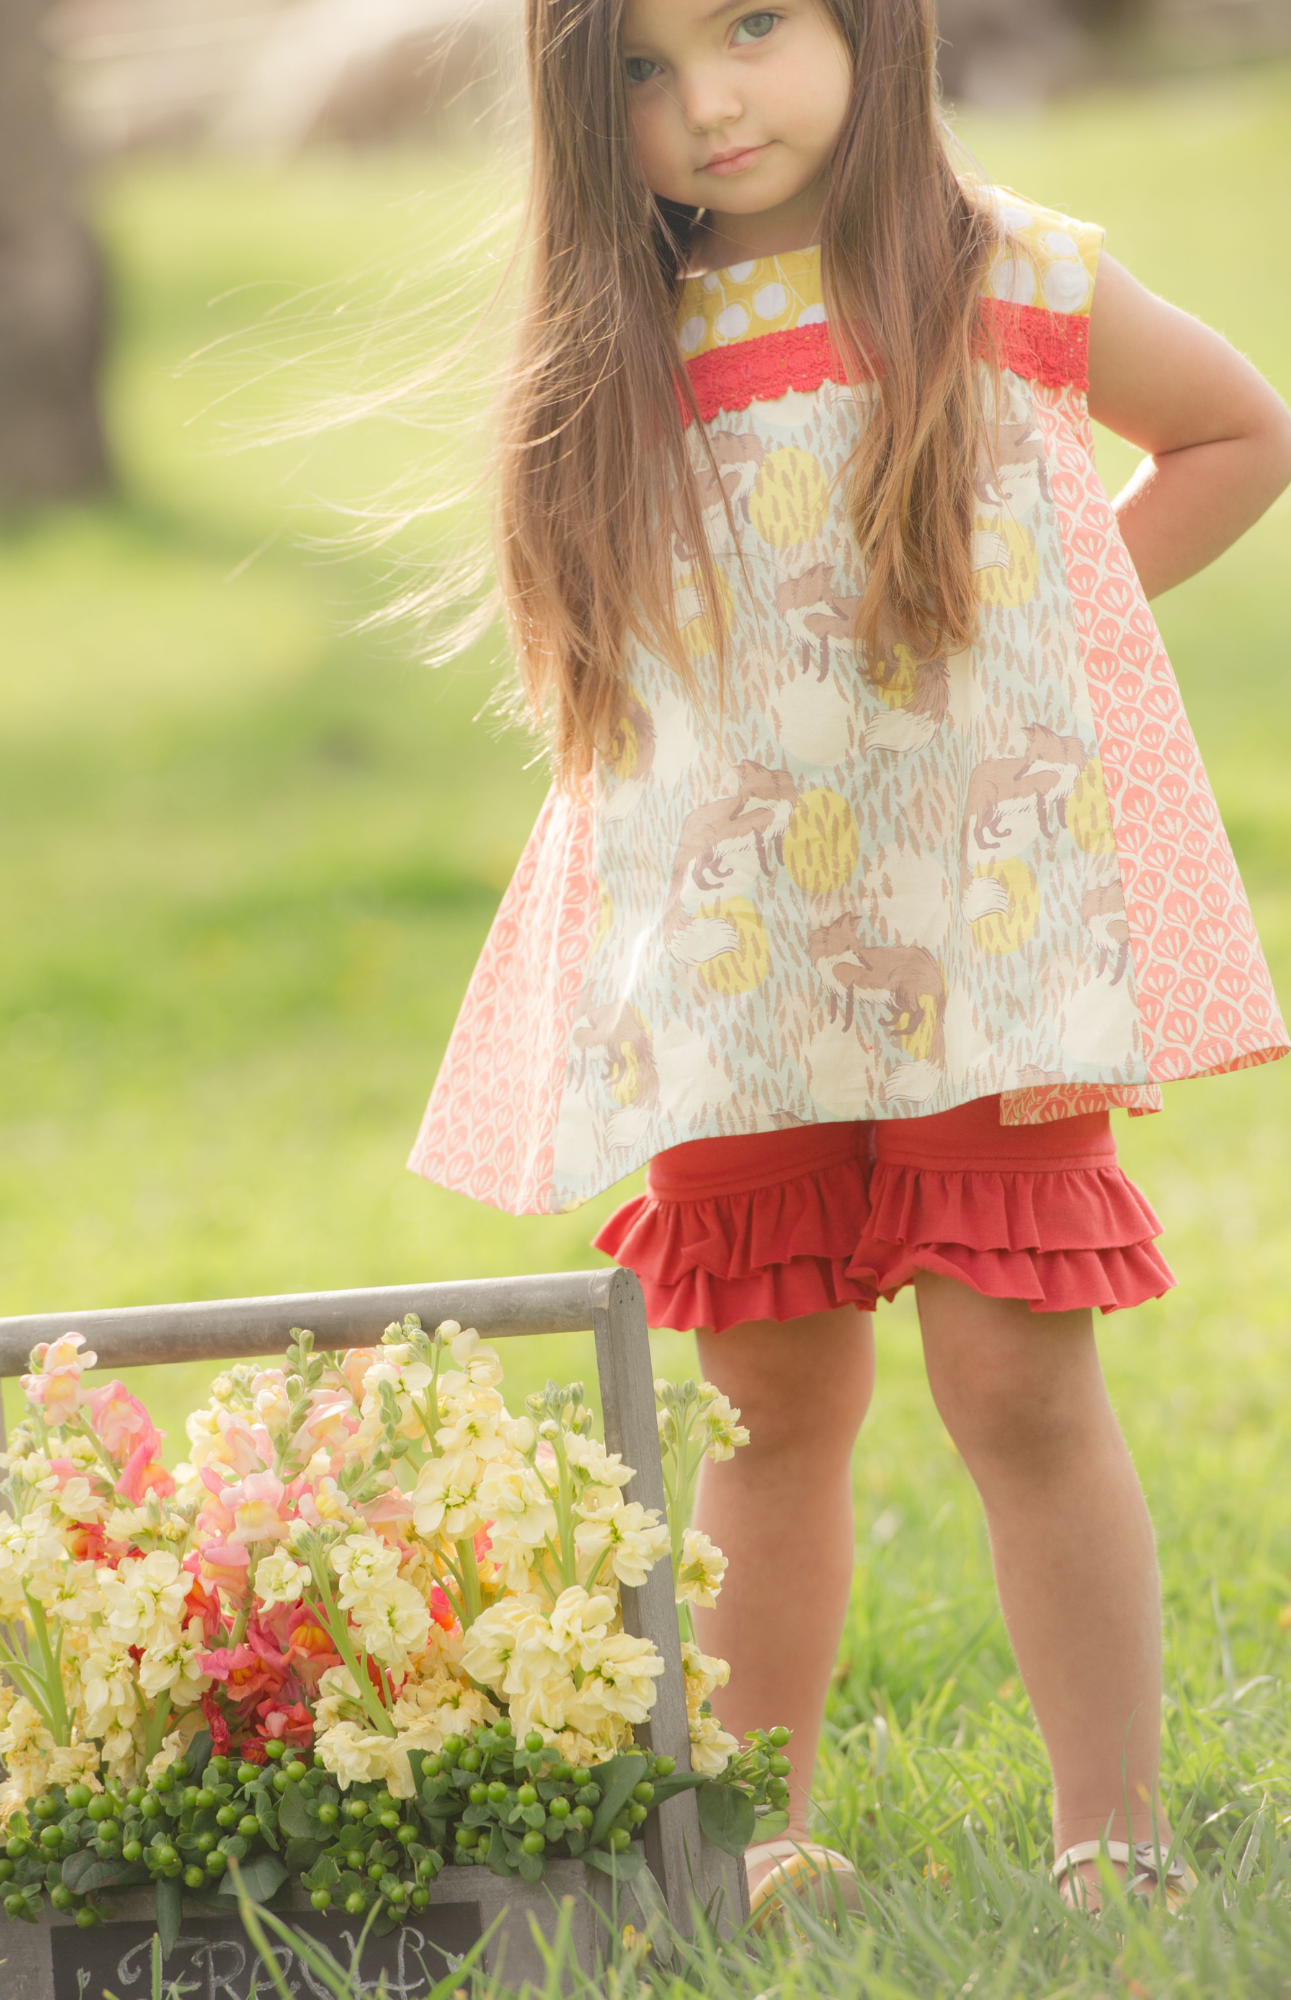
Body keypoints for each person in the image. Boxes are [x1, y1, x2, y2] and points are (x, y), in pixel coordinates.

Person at [407, 0, 1291, 1920]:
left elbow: (1238, 430)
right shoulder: (610, 353)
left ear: (863, 28)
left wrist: (1037, 633)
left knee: (1016, 1378)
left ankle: (1113, 1840)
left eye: (750, 27)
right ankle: (763, 1833)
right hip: (740, 965)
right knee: (767, 1398)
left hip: (985, 932)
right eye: (641, 69)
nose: (708, 100)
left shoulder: (1001, 273)